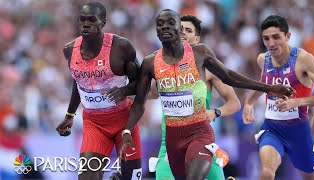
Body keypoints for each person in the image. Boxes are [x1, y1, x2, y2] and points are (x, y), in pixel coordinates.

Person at [120, 9, 293, 180]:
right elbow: (145, 95)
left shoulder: (200, 55)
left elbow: (229, 77)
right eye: (160, 24)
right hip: (171, 139)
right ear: (156, 31)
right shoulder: (152, 62)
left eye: (173, 24)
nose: (166, 27)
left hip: (199, 132)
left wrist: (267, 88)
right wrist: (121, 93)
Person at [55, 2, 142, 180]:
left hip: (124, 121)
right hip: (94, 124)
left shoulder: (121, 48)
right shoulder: (70, 50)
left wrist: (124, 90)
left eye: (92, 20)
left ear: (103, 22)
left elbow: (142, 83)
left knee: (130, 177)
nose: (86, 24)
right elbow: (78, 82)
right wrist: (70, 114)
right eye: (82, 20)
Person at [149, 14, 240, 180]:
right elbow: (150, 93)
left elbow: (234, 103)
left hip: (199, 138)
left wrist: (215, 112)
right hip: (169, 142)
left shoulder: (208, 68)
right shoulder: (161, 64)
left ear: (197, 39)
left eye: (188, 30)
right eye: (180, 28)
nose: (182, 33)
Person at [242, 15, 314, 180]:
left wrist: (297, 102)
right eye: (266, 38)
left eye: (276, 37)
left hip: (299, 131)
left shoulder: (304, 60)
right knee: (267, 173)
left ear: (288, 36)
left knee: (311, 178)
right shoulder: (263, 60)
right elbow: (264, 83)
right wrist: (249, 102)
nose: (271, 43)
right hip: (272, 128)